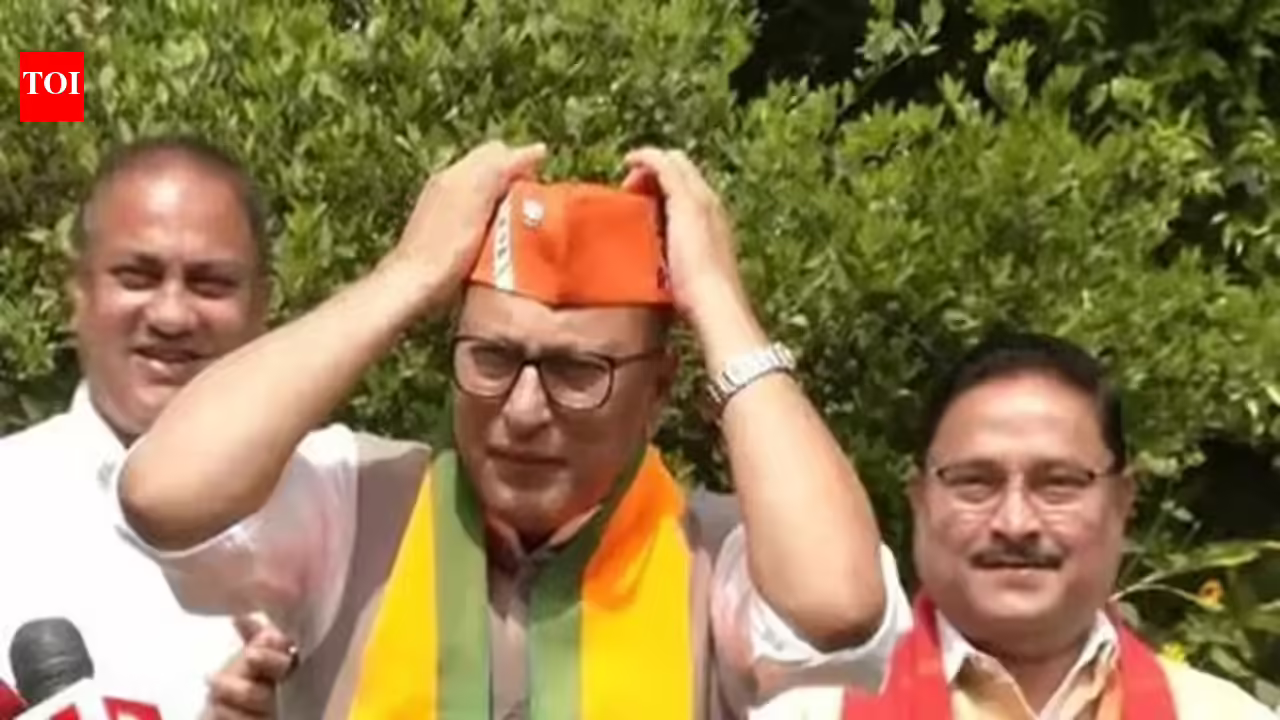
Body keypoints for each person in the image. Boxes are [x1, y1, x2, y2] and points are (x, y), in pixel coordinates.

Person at [110, 140, 913, 718]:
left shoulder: (716, 553)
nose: (524, 410)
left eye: (577, 373)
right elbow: (164, 493)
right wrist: (406, 276)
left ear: (658, 390)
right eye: (491, 358)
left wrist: (719, 304)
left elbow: (837, 608)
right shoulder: (358, 510)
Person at [826, 332, 1273, 718]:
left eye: (1058, 483)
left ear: (1123, 501)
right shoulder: (814, 707)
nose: (1015, 523)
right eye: (975, 482)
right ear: (920, 499)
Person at [0, 136, 289, 718]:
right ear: (78, 291)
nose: (171, 315)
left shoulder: (346, 505)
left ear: (262, 305)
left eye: (210, 283)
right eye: (137, 277)